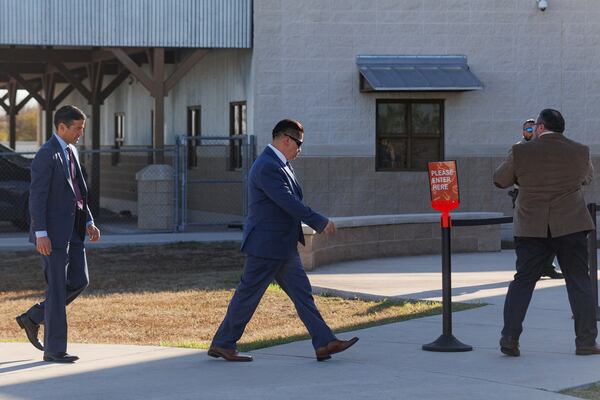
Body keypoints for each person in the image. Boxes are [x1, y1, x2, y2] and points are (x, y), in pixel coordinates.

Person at [208, 119, 358, 362]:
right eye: (298, 143)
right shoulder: (268, 166)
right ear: (286, 139)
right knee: (248, 295)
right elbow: (287, 201)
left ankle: (324, 342)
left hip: (281, 246)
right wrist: (318, 221)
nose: (300, 149)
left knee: (302, 294)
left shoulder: (280, 163)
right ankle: (223, 343)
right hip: (266, 245)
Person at [494, 109, 600, 357]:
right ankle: (585, 342)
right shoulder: (580, 150)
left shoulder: (520, 150)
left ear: (540, 127)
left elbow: (500, 179)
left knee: (523, 281)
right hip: (571, 224)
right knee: (579, 281)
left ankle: (510, 337)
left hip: (531, 226)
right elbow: (586, 179)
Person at [16, 105, 100, 363]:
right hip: (51, 235)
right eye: (77, 129)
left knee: (80, 280)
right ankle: (55, 350)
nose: (80, 134)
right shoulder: (46, 154)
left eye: (82, 129)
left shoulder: (71, 151)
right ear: (61, 127)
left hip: (74, 231)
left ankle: (33, 317)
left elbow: (78, 194)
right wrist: (41, 232)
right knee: (56, 289)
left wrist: (88, 221)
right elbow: (37, 197)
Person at [508, 119, 563, 280]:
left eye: (533, 128)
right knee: (526, 234)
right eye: (527, 128)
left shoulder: (546, 147)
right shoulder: (518, 148)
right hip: (525, 195)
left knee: (550, 232)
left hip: (546, 195)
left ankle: (547, 266)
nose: (530, 130)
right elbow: (509, 173)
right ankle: (528, 268)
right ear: (522, 132)